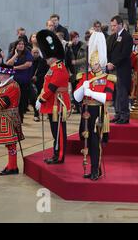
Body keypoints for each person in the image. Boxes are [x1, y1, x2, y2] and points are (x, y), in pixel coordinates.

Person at [74, 32, 115, 181]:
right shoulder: (84, 76)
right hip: (85, 111)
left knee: (94, 142)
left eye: (95, 62)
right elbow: (76, 97)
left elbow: (107, 97)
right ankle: (92, 168)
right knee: (85, 139)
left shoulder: (107, 78)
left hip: (97, 111)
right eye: (91, 62)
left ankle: (95, 170)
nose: (93, 65)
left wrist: (90, 91)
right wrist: (81, 88)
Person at [35, 30, 71, 164]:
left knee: (59, 132)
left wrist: (41, 99)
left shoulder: (59, 68)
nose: (46, 59)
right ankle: (56, 154)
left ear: (53, 57)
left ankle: (60, 156)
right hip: (53, 104)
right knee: (54, 130)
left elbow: (52, 87)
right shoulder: (53, 67)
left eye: (47, 57)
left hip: (58, 104)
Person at [107, 16, 133, 124]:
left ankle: (124, 115)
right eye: (112, 26)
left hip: (122, 69)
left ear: (120, 24)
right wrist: (108, 62)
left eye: (114, 25)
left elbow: (125, 54)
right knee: (116, 93)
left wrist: (114, 64)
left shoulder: (127, 37)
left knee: (122, 93)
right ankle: (117, 114)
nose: (112, 28)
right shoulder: (113, 37)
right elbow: (109, 51)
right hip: (112, 68)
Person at [6, 39, 33, 122]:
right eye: (19, 44)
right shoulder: (12, 53)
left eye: (22, 44)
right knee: (14, 99)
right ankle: (15, 117)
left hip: (24, 81)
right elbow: (8, 64)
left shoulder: (27, 52)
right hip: (14, 81)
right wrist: (15, 55)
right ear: (16, 45)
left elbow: (28, 64)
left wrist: (16, 68)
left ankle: (20, 117)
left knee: (22, 100)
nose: (21, 45)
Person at [69, 31, 86, 114]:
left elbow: (86, 59)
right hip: (72, 72)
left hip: (81, 71)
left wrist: (76, 62)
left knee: (81, 89)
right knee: (74, 89)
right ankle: (76, 106)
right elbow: (67, 59)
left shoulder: (84, 46)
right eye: (73, 38)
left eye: (76, 37)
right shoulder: (69, 47)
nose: (75, 39)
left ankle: (82, 106)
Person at [31, 48, 49, 121]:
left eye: (37, 52)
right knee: (34, 99)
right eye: (34, 52)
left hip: (41, 82)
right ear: (31, 53)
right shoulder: (29, 61)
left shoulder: (43, 61)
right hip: (31, 83)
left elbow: (47, 72)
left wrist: (37, 77)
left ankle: (47, 112)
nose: (35, 54)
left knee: (44, 98)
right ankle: (36, 114)